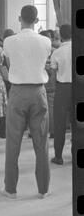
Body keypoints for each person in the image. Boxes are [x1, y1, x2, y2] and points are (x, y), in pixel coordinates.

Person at [1, 5, 51, 199]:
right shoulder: (46, 41)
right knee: (41, 142)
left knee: (13, 142)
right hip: (39, 91)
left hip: (18, 91)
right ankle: (43, 189)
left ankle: (11, 189)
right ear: (37, 20)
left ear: (19, 18)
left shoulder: (9, 41)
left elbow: (10, 63)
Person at [50, 24, 72, 165]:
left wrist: (53, 88)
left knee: (59, 124)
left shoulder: (56, 53)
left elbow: (52, 77)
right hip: (79, 90)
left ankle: (58, 157)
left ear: (60, 37)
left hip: (62, 89)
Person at [40, 30, 56, 140]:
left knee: (39, 108)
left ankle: (37, 131)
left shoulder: (37, 51)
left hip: (42, 81)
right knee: (50, 106)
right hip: (50, 80)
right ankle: (53, 131)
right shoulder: (55, 51)